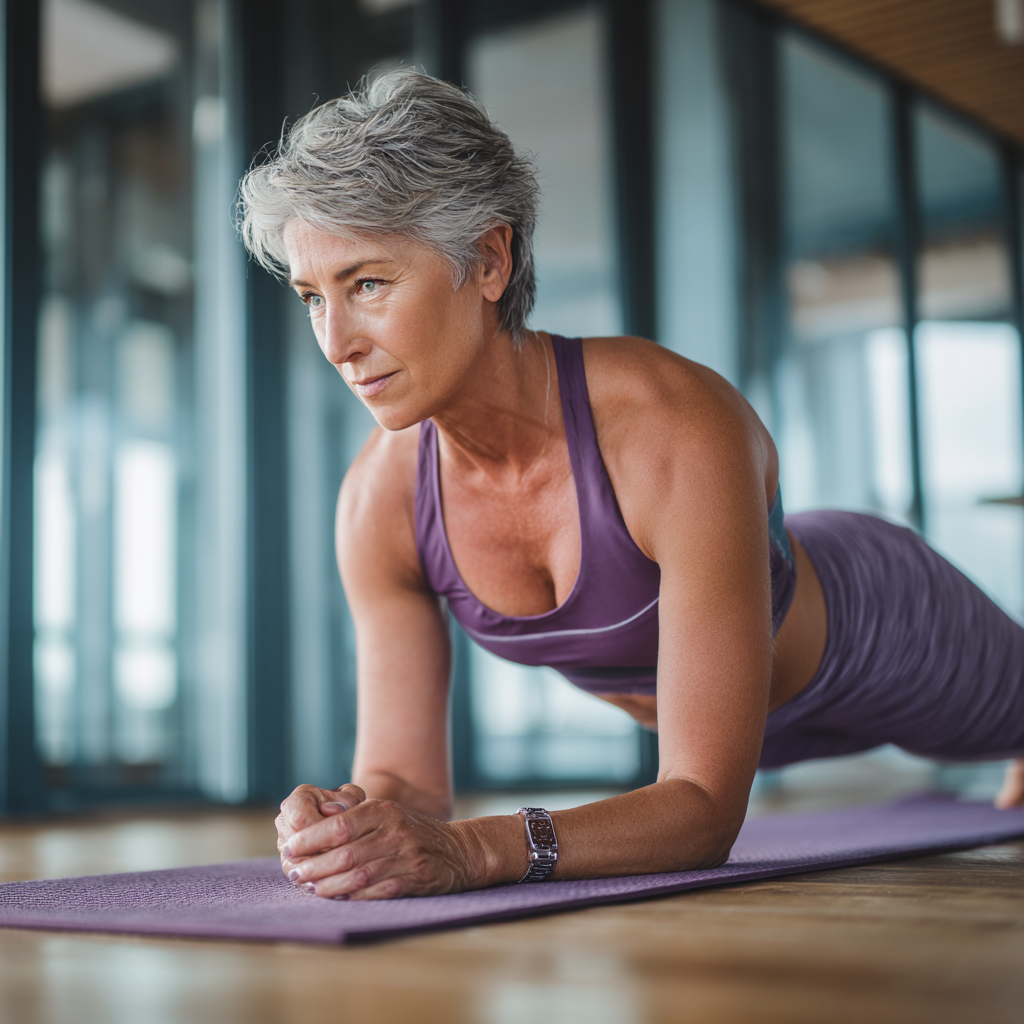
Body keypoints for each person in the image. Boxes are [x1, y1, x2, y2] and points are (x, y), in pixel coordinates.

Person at [237, 69, 1024, 901]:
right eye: (312, 297)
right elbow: (406, 783)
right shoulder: (379, 502)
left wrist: (473, 851)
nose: (336, 342)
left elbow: (703, 810)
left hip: (882, 639)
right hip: (739, 723)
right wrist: (353, 826)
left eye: (367, 284)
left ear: (490, 260)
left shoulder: (672, 426)